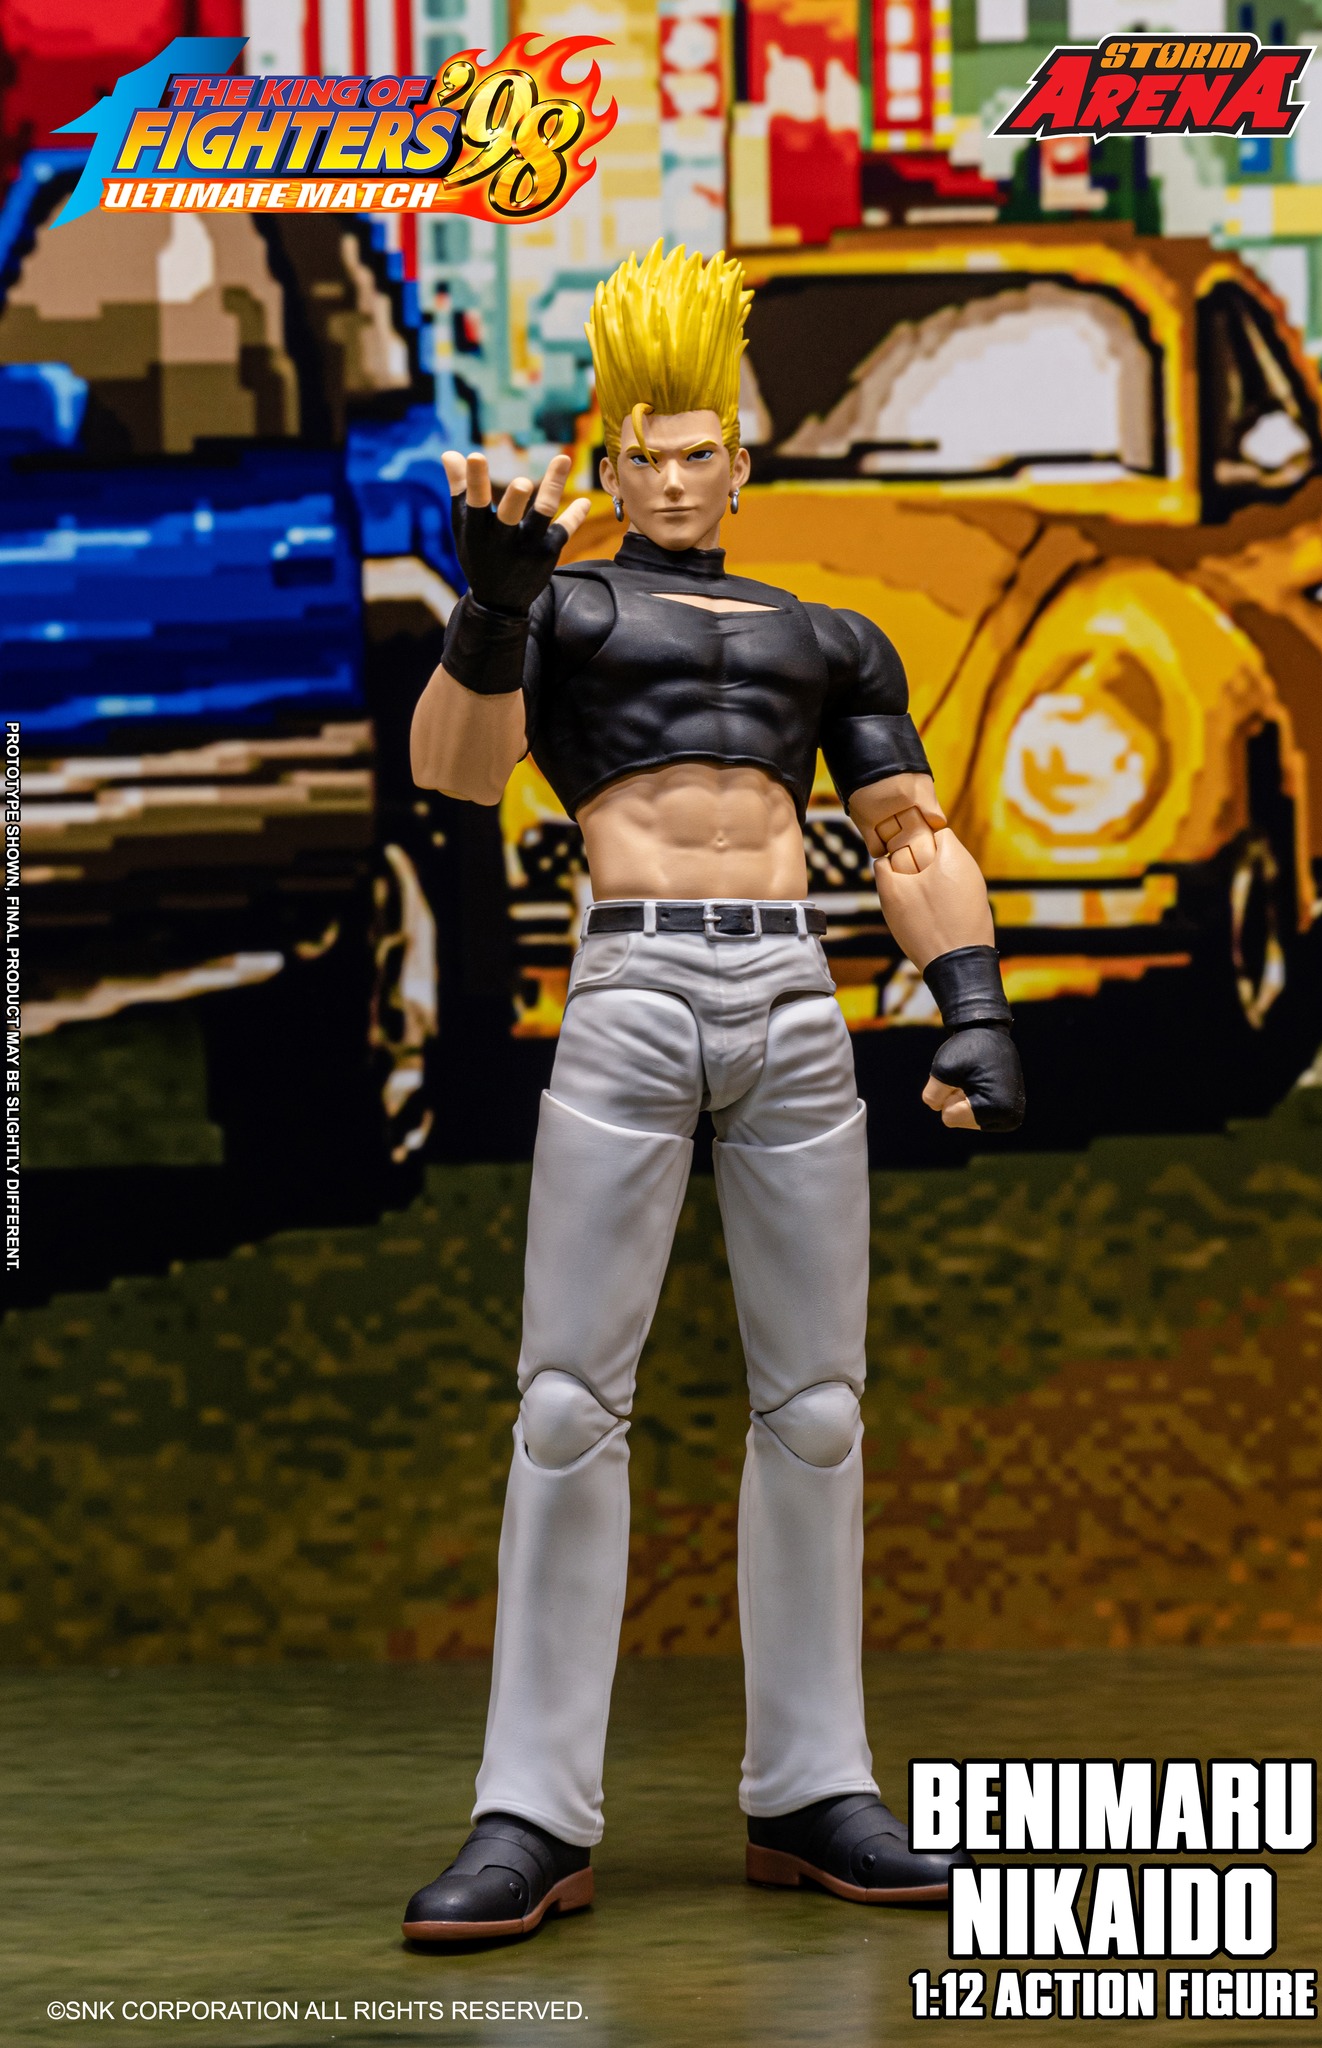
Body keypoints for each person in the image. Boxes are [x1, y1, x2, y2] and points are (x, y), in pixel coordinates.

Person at [403, 242, 1023, 1942]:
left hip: (791, 991)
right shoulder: (568, 610)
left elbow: (908, 833)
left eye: (696, 454)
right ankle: (531, 1810)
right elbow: (455, 773)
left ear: (740, 465)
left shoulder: (829, 635)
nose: (671, 480)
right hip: (630, 980)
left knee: (817, 1406)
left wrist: (968, 1003)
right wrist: (494, 605)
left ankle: (814, 1785)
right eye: (642, 456)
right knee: (563, 1405)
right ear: (607, 468)